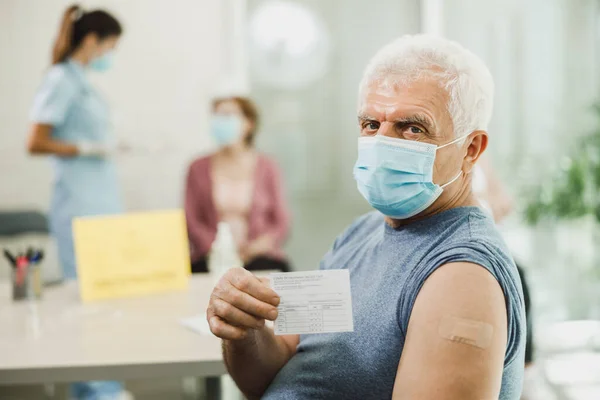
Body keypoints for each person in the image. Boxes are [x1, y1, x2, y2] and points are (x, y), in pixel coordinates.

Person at [206, 35, 526, 399]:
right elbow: (282, 368)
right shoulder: (363, 231)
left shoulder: (462, 273)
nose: (383, 143)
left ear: (471, 149)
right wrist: (246, 330)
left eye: (412, 128)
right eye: (371, 124)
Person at [27, 5, 131, 400]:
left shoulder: (81, 80)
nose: (111, 56)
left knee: (105, 301)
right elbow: (35, 141)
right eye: (111, 47)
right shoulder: (60, 79)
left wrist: (108, 147)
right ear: (92, 41)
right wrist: (86, 147)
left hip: (100, 205)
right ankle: (95, 391)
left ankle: (103, 388)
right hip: (79, 208)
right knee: (86, 305)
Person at [472, 159, 555, 400]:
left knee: (517, 277)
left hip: (488, 243)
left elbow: (504, 203)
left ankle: (526, 371)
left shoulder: (479, 155)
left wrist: (483, 201)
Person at [185, 96, 291, 273]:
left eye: (227, 116)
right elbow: (191, 220)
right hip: (211, 257)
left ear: (248, 124)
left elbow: (281, 221)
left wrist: (256, 247)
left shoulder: (268, 167)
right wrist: (217, 248)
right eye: (216, 116)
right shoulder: (197, 168)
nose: (220, 122)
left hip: (259, 256)